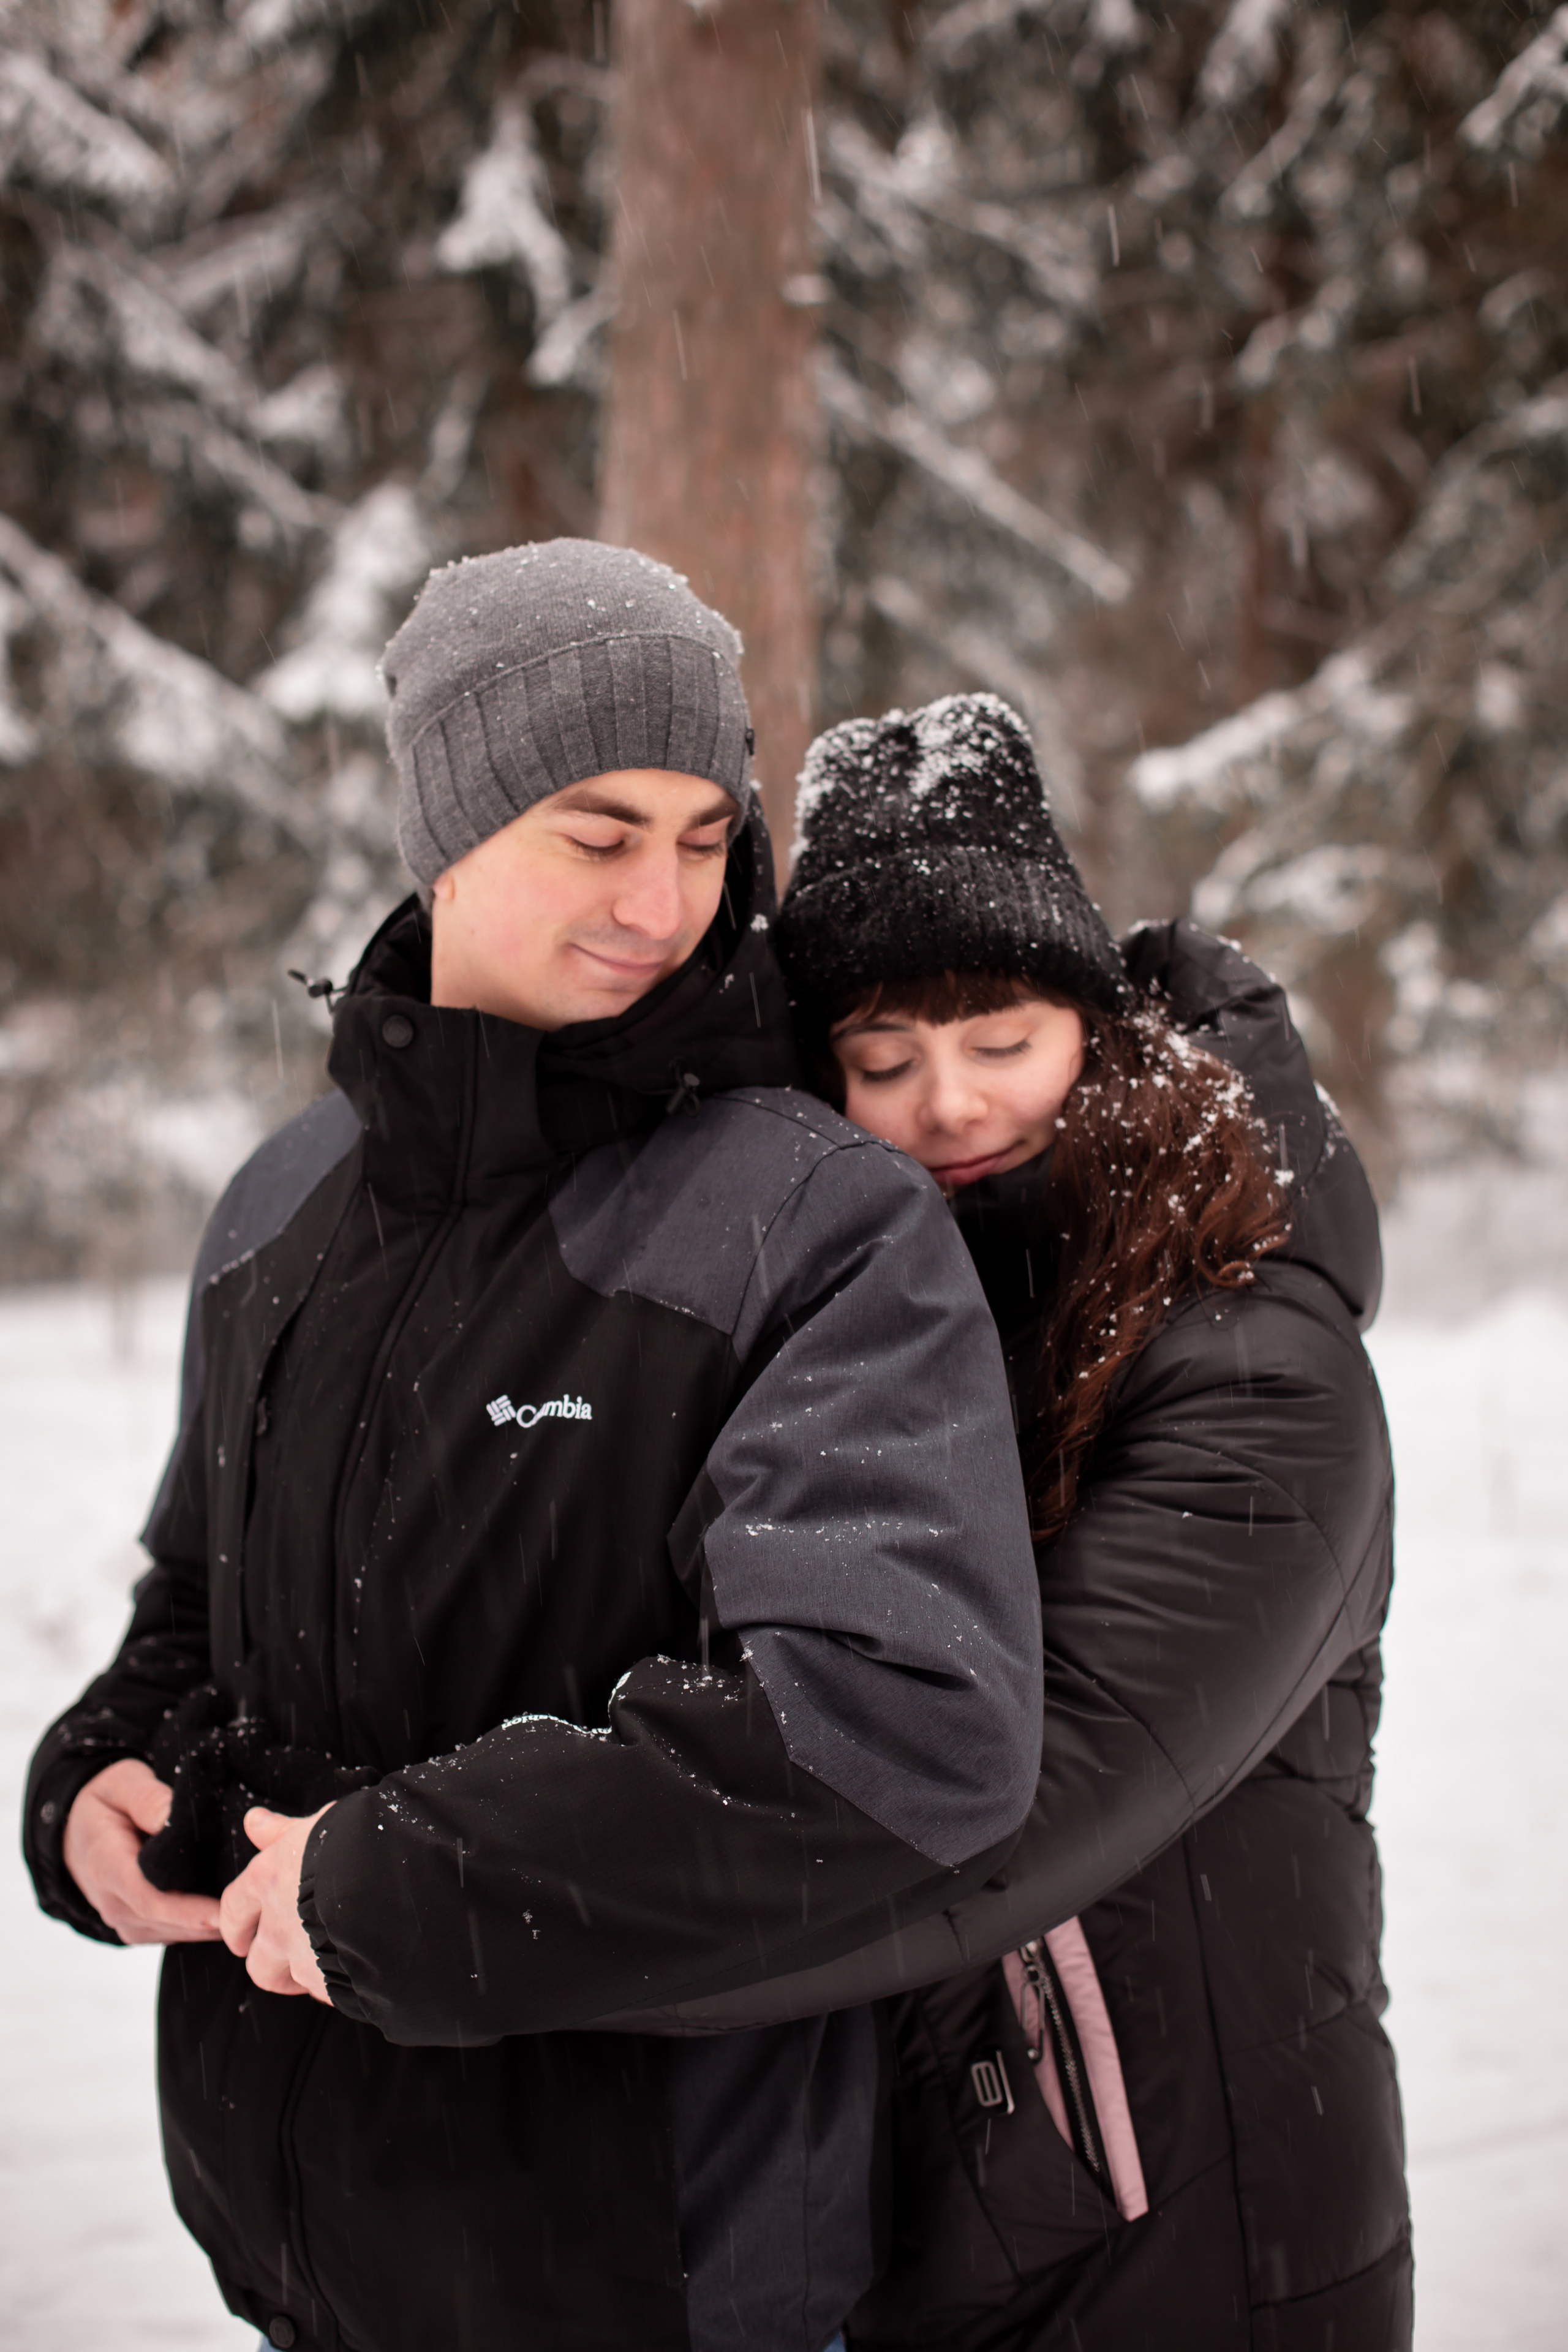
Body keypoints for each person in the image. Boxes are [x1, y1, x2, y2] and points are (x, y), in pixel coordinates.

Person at [21, 552, 1047, 2352]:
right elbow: (203, 1602)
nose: (665, 899)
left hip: (651, 2267)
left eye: (705, 836)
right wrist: (109, 1758)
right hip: (305, 2250)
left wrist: (406, 1880)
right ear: (450, 817)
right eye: (599, 833)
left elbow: (899, 1723)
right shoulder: (282, 1205)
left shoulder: (809, 1222)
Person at [743, 693, 1409, 2348]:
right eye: (884, 1062)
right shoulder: (877, 1334)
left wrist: (520, 1925)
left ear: (1094, 1034)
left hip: (1207, 2235)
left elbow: (1007, 1804)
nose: (950, 1104)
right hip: (962, 2231)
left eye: (1000, 1042)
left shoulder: (1250, 1355)